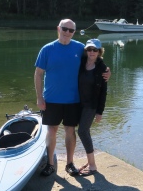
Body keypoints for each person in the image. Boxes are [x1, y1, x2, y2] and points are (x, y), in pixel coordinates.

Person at [35, 19, 110, 177]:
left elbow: (94, 58)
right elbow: (38, 74)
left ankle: (70, 163)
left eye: (71, 30)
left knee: (70, 131)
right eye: (65, 29)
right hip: (51, 99)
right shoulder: (47, 49)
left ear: (74, 32)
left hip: (73, 100)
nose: (67, 32)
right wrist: (39, 97)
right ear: (58, 28)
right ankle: (50, 164)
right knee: (51, 131)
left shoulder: (79, 48)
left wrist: (106, 71)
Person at [77, 39, 107, 176]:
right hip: (77, 103)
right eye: (89, 49)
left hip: (91, 105)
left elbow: (103, 92)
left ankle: (93, 165)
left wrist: (100, 112)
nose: (92, 52)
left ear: (99, 52)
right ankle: (89, 162)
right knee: (82, 131)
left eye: (95, 50)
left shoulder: (102, 69)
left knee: (83, 131)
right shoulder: (81, 62)